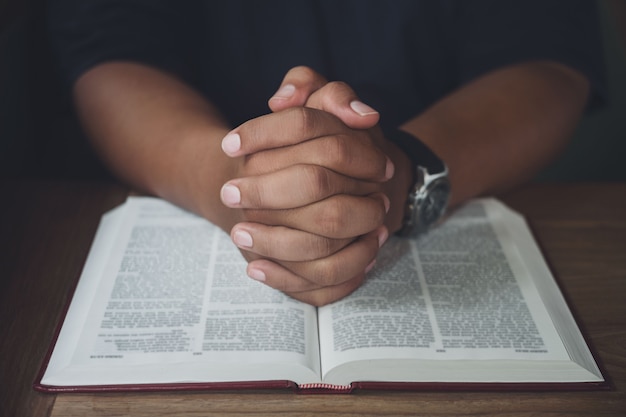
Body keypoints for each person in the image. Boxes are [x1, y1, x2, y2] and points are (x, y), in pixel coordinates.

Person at [46, 0, 604, 306]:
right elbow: (109, 57)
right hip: (190, 162)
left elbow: (546, 61)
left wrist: (399, 173)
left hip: (453, 167)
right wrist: (233, 182)